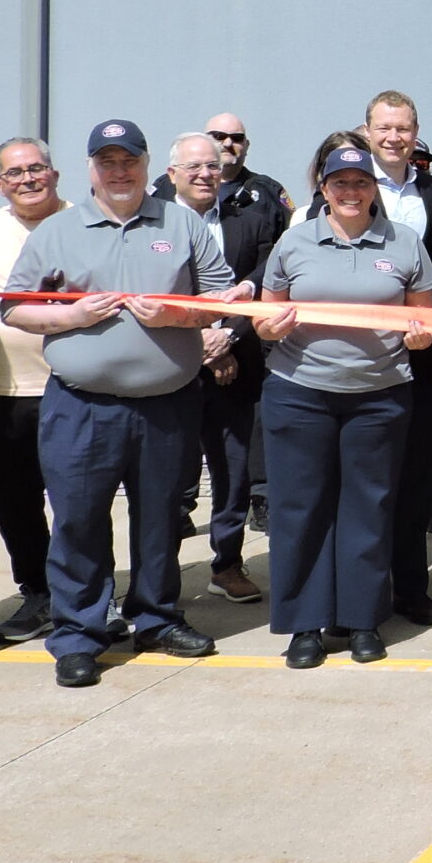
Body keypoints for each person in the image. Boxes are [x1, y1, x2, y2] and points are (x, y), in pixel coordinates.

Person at [0, 120, 249, 689]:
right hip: (82, 406)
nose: (119, 171)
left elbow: (220, 299)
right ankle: (79, 634)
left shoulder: (181, 223)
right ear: (91, 168)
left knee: (161, 517)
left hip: (167, 404)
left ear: (146, 164)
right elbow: (13, 307)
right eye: (107, 162)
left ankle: (157, 618)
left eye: (128, 160)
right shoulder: (58, 230)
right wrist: (71, 315)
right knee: (79, 521)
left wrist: (178, 314)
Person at [253, 143, 432, 667]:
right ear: (324, 189)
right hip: (299, 392)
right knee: (300, 510)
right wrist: (270, 328)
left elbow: (423, 320)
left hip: (378, 396)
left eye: (361, 182)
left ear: (374, 188)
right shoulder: (295, 241)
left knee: (368, 509)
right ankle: (304, 626)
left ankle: (362, 620)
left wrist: (420, 338)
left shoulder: (404, 242)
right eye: (341, 183)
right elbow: (264, 318)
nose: (351, 192)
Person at [159, 132, 284, 603]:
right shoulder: (153, 225)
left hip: (234, 367)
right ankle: (160, 574)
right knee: (167, 477)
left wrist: (227, 338)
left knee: (232, 474)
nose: (204, 174)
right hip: (169, 370)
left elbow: (264, 282)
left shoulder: (249, 221)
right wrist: (200, 344)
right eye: (193, 166)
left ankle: (227, 564)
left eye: (211, 166)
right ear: (172, 174)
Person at [361, 91, 432, 625]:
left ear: (415, 133)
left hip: (418, 356)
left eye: (403, 128)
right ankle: (366, 590)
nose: (394, 138)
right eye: (385, 128)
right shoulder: (350, 185)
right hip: (361, 355)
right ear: (367, 131)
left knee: (415, 474)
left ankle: (412, 588)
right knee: (368, 478)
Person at [0, 137, 68, 646]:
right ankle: (38, 593)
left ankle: (89, 595)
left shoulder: (84, 221)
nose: (28, 179)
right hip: (0, 390)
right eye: (15, 173)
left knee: (78, 502)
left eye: (36, 168)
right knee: (15, 504)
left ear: (55, 174)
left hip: (73, 387)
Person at [206, 112, 294, 213]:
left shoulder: (269, 191)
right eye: (218, 136)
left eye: (237, 138)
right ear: (203, 143)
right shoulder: (192, 188)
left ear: (247, 146)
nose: (228, 143)